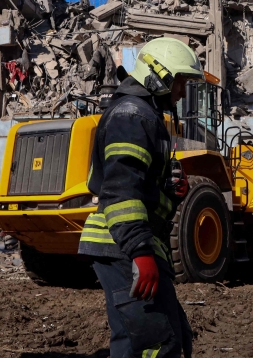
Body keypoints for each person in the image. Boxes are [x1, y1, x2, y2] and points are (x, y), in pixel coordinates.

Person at [78, 37, 205, 358]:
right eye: (180, 81)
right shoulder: (133, 117)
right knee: (156, 343)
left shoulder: (142, 116)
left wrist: (170, 192)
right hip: (123, 244)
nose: (181, 91)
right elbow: (122, 191)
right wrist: (140, 252)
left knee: (157, 338)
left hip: (127, 242)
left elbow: (140, 190)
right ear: (157, 75)